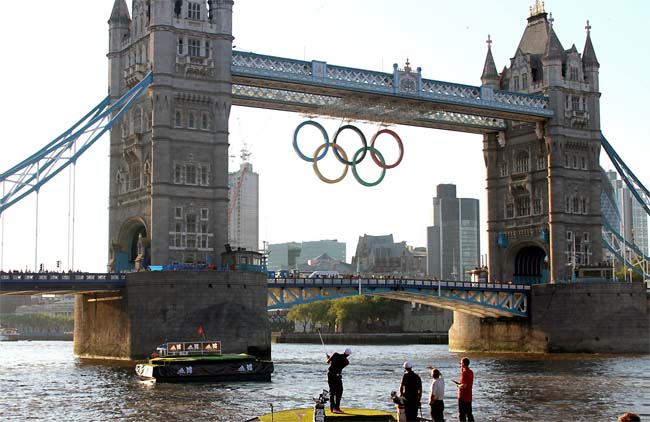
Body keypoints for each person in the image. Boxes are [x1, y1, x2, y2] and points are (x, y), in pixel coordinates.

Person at [326, 347, 351, 414]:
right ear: (349, 355)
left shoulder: (335, 355)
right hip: (337, 376)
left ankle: (332, 408)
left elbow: (328, 362)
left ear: (343, 352)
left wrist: (328, 358)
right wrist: (330, 359)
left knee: (332, 391)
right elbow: (339, 364)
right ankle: (336, 408)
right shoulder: (346, 362)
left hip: (330, 375)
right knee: (339, 391)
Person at [453, 357, 474, 422]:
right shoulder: (471, 372)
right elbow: (466, 383)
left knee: (462, 414)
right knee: (469, 414)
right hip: (469, 395)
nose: (460, 364)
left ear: (464, 364)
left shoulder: (464, 373)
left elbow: (464, 386)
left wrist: (458, 385)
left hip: (463, 396)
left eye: (461, 363)